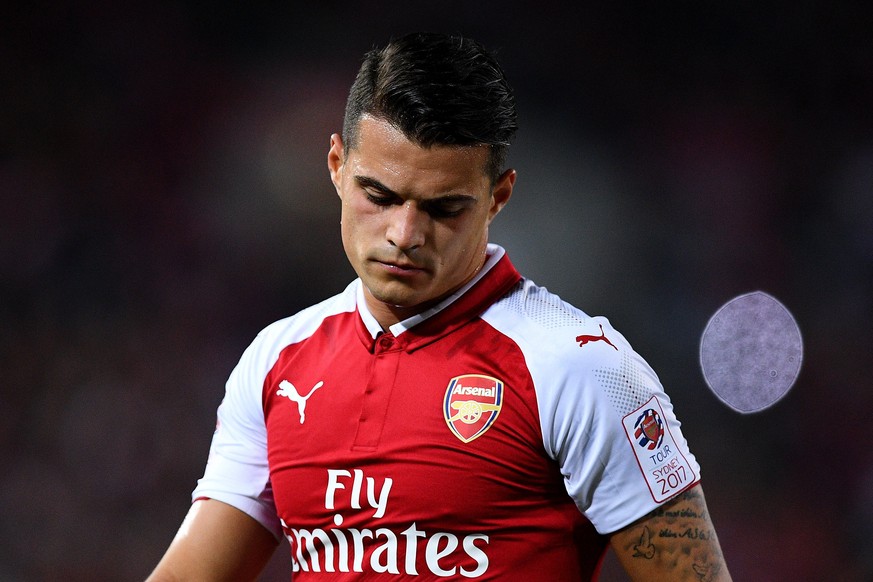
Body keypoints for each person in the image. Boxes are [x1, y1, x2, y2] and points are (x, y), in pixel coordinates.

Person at [148, 32, 731, 581]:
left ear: (498, 197)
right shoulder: (277, 360)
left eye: (444, 208)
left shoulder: (582, 370)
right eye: (378, 195)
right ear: (336, 166)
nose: (405, 233)